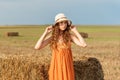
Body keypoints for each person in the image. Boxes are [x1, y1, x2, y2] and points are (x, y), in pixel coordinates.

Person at [34, 13, 87, 80]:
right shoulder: (53, 38)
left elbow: (84, 45)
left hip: (67, 68)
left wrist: (75, 31)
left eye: (65, 23)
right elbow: (37, 47)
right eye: (61, 23)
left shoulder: (69, 37)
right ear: (57, 25)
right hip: (56, 66)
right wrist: (45, 33)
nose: (64, 25)